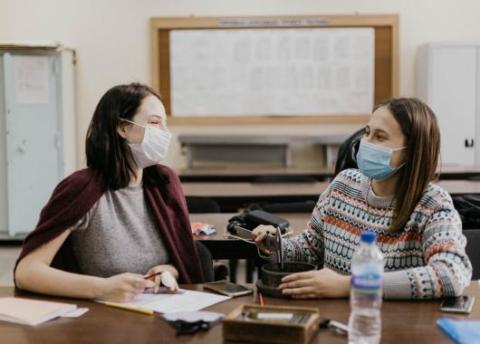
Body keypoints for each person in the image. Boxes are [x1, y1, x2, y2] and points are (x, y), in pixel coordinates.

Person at [254, 97, 472, 299]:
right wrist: (276, 246)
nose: (365, 142)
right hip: (334, 320)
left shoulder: (433, 204)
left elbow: (450, 275)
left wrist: (350, 285)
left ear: (411, 151)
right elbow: (311, 247)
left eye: (380, 136)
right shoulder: (343, 184)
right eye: (367, 132)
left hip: (393, 325)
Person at [14, 83, 204, 302]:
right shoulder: (81, 188)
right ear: (122, 128)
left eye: (165, 124)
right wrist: (102, 288)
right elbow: (27, 272)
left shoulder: (164, 183)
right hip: (98, 319)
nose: (164, 133)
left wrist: (169, 270)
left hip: (158, 311)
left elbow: (181, 257)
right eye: (154, 123)